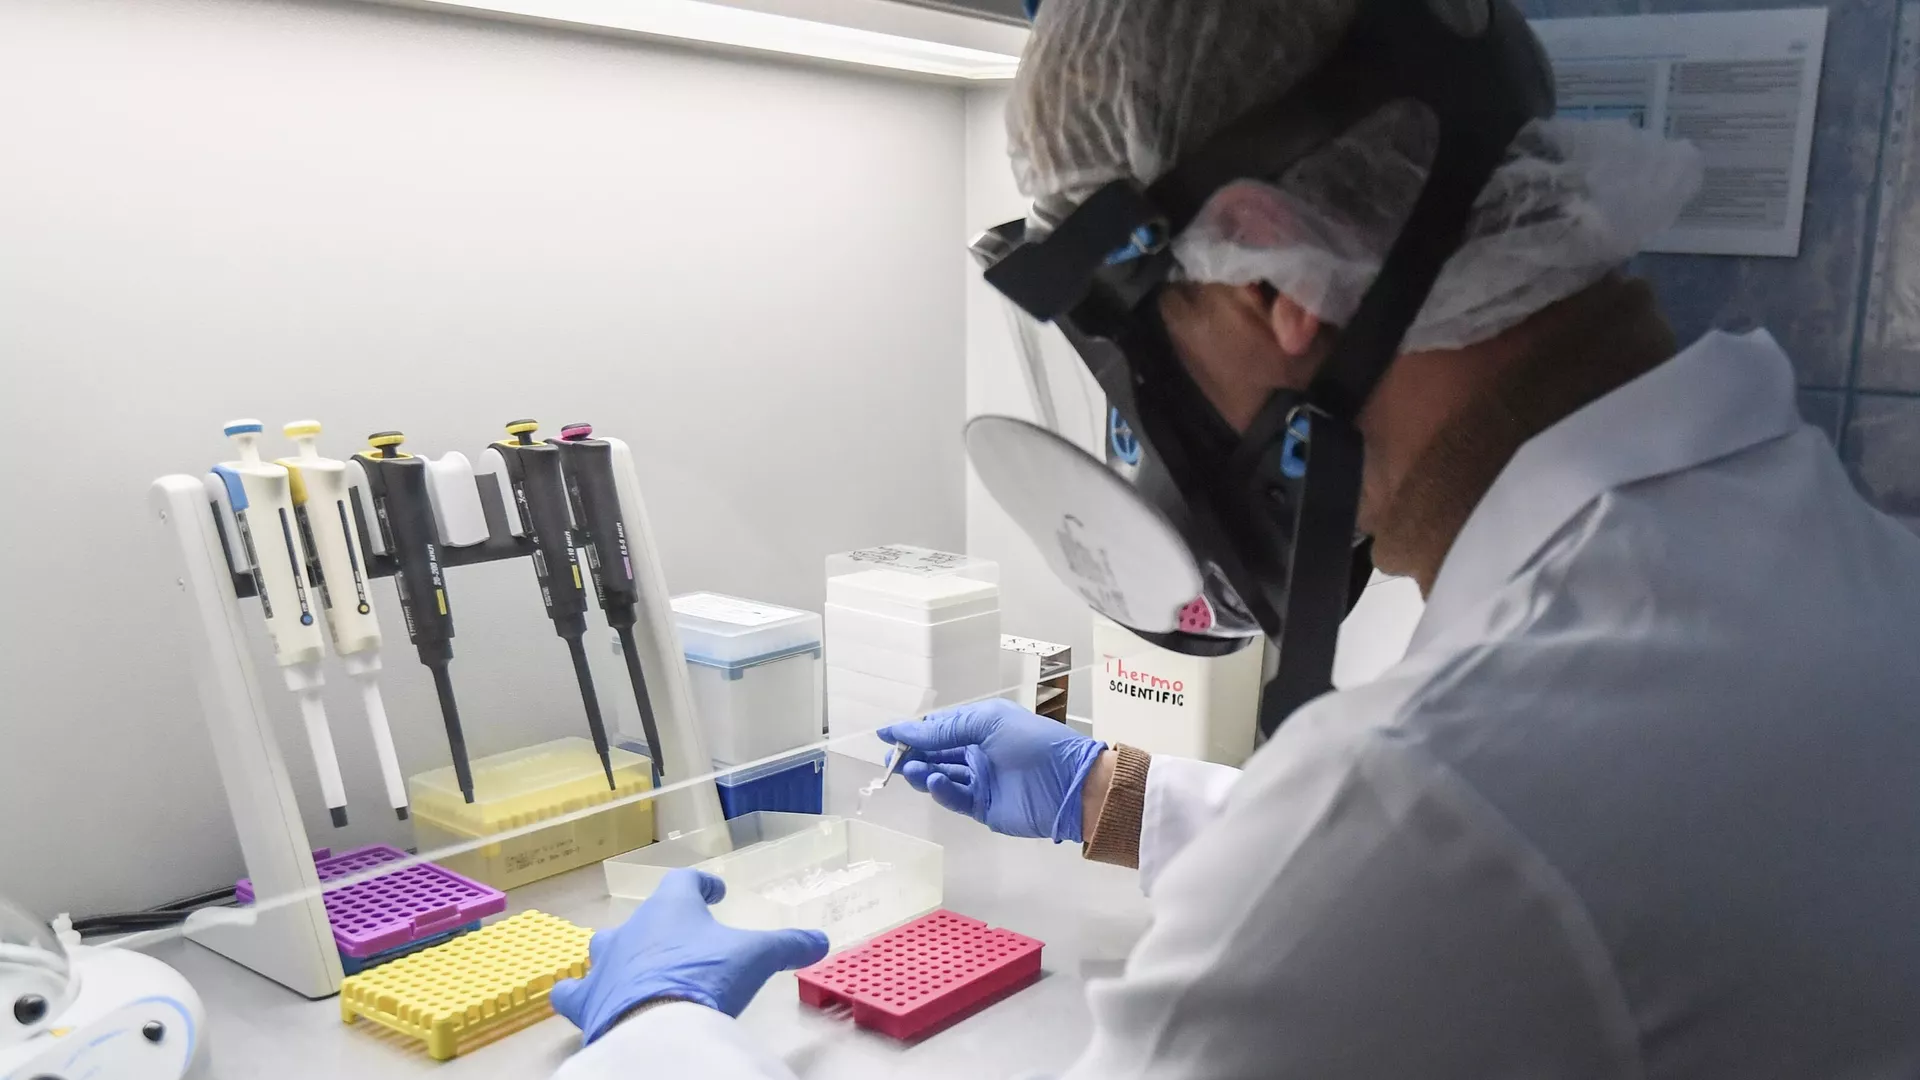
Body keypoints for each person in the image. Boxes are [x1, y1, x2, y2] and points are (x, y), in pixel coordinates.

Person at [551, 0, 1920, 1074]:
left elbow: (1394, 872)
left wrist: (654, 1030)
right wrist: (1107, 793)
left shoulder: (1432, 800)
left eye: (1135, 344)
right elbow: (1448, 897)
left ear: (1275, 278)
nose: (1147, 419)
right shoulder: (1818, 550)